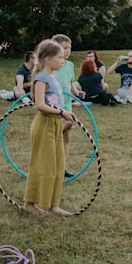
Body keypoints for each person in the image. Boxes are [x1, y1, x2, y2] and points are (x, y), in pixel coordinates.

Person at [23, 39, 76, 217]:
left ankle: (53, 204)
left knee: (57, 165)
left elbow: (55, 101)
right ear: (47, 59)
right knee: (42, 165)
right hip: (44, 124)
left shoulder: (53, 77)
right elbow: (39, 105)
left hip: (55, 125)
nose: (63, 60)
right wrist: (62, 113)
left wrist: (64, 113)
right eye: (60, 57)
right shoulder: (41, 79)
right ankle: (29, 204)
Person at [51, 34, 80, 175]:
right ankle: (52, 164)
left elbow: (70, 82)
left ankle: (62, 167)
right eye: (64, 48)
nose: (68, 51)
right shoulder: (53, 65)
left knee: (67, 136)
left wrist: (76, 91)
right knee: (64, 126)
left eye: (69, 48)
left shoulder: (70, 65)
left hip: (67, 104)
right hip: (54, 105)